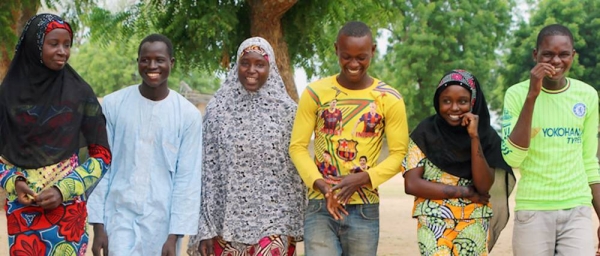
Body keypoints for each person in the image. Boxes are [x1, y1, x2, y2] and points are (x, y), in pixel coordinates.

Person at [289, 21, 409, 255]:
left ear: (373, 50)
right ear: (336, 49)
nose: (353, 64)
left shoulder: (389, 98)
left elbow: (399, 155)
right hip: (320, 205)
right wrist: (323, 186)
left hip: (364, 207)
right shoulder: (315, 93)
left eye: (361, 57)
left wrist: (362, 179)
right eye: (346, 56)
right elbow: (297, 147)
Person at [0, 13, 111, 255]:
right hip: (22, 213)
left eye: (67, 44)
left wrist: (64, 190)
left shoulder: (80, 93)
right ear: (34, 46)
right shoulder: (7, 95)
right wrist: (13, 182)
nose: (63, 51)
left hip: (68, 214)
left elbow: (102, 156)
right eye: (54, 44)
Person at [187, 37, 305, 256]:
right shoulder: (218, 112)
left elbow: (294, 173)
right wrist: (205, 228)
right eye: (245, 63)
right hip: (227, 225)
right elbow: (207, 173)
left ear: (271, 68)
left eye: (260, 64)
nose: (252, 70)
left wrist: (292, 222)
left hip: (274, 224)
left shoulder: (288, 113)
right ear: (236, 67)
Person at [87, 34, 203, 256]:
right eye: (145, 59)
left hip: (162, 225)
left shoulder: (187, 115)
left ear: (172, 63)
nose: (152, 66)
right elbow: (102, 166)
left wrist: (174, 236)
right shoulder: (113, 105)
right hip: (118, 216)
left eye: (159, 60)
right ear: (138, 61)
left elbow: (187, 179)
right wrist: (98, 226)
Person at [501, 24, 600, 255]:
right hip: (533, 210)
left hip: (577, 209)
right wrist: (532, 96)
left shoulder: (587, 95)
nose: (556, 61)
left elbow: (589, 161)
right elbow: (513, 157)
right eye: (548, 54)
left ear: (573, 56)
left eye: (564, 54)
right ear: (536, 55)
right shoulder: (516, 94)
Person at [403, 70, 515, 255]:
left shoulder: (486, 137)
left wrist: (474, 137)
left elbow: (483, 186)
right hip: (433, 219)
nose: (454, 108)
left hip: (474, 220)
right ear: (438, 102)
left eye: (462, 101)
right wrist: (463, 191)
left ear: (473, 102)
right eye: (446, 101)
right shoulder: (425, 133)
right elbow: (412, 184)